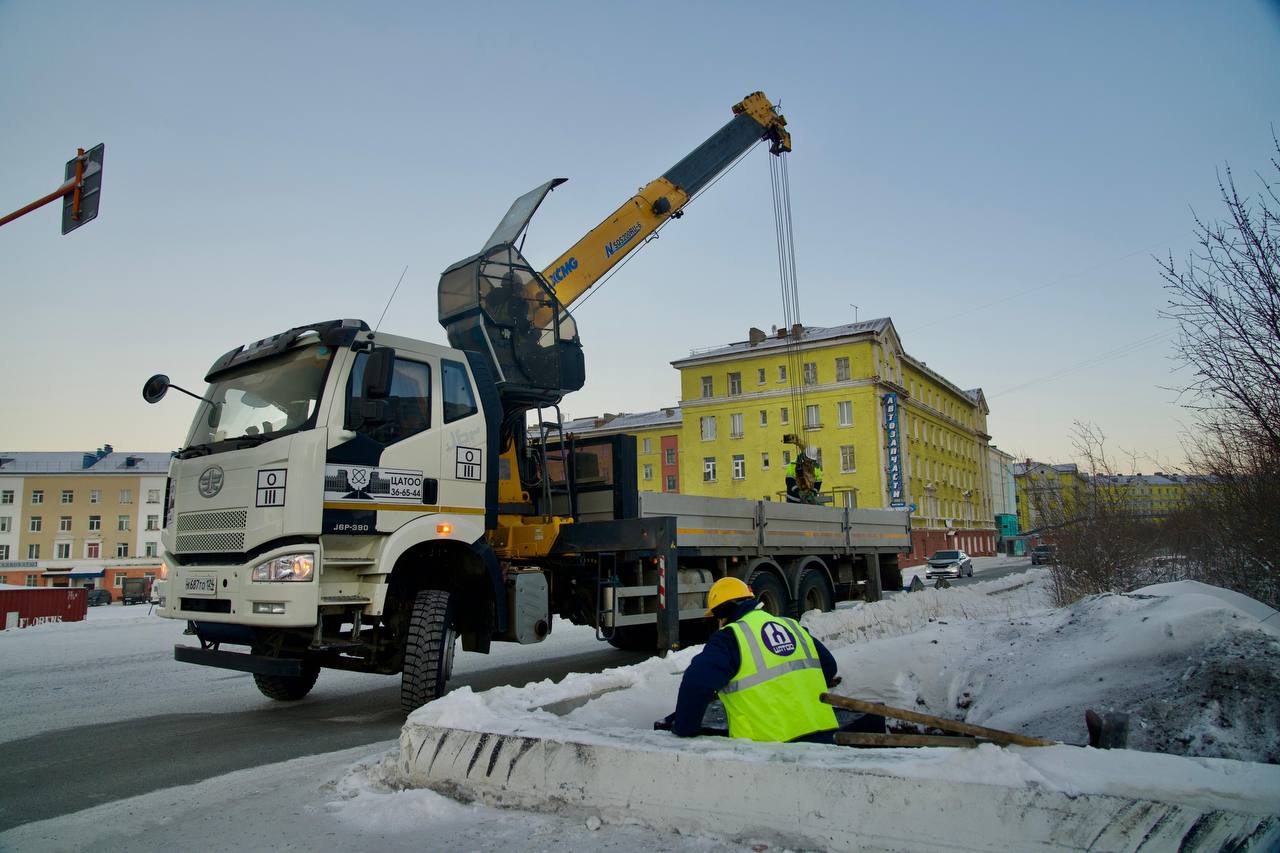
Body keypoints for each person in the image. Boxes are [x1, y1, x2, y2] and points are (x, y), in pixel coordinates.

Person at [663, 577, 842, 744]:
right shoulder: (792, 626)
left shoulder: (729, 638)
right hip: (823, 742)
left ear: (721, 614)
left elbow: (696, 683)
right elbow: (828, 667)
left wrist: (683, 728)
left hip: (769, 749)